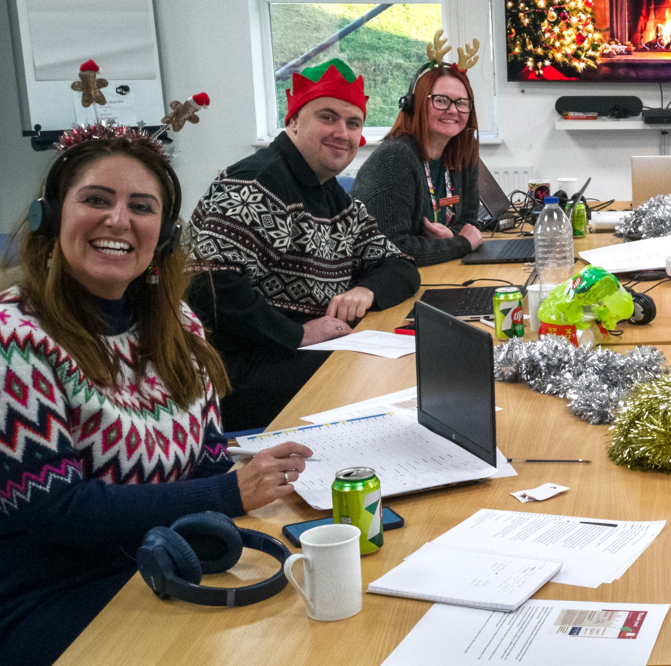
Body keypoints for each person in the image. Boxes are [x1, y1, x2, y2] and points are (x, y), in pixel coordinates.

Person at [0, 131, 312, 666]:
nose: (119, 220)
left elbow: (208, 456)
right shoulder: (17, 338)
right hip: (58, 591)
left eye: (141, 207)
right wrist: (230, 494)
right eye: (97, 199)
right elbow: (59, 509)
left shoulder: (178, 326)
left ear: (163, 236)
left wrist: (266, 473)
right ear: (49, 218)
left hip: (169, 556)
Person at [188, 59, 421, 432]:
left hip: (291, 351)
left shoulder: (332, 195)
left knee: (402, 370)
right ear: (293, 121)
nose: (342, 133)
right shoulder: (257, 182)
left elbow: (401, 265)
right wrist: (296, 333)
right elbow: (207, 284)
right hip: (235, 369)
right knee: (387, 381)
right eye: (327, 117)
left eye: (353, 123)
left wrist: (366, 289)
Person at [351, 62, 487, 267]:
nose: (452, 110)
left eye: (461, 102)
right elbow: (392, 249)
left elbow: (470, 224)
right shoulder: (394, 158)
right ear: (415, 104)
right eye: (441, 100)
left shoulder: (462, 154)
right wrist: (460, 243)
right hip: (383, 279)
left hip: (437, 271)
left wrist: (452, 234)